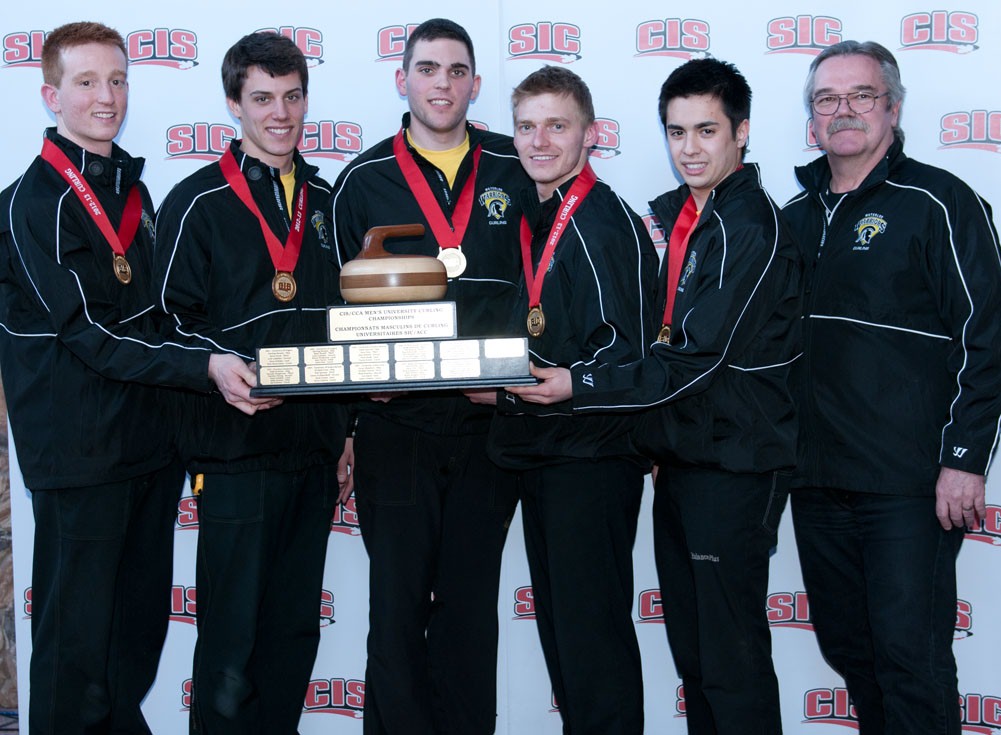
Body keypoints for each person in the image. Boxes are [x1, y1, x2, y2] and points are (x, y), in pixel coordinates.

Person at [510, 59, 802, 734]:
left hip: (733, 463)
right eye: (676, 132)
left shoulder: (746, 227)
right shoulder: (686, 219)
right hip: (687, 457)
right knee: (697, 659)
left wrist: (578, 382)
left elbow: (695, 359)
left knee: (728, 665)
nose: (690, 148)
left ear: (742, 132)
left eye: (706, 130)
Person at [0, 21, 266, 735]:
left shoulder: (133, 191)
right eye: (87, 82)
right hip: (82, 460)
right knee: (73, 650)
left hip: (150, 449)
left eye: (117, 79)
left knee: (135, 641)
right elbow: (90, 334)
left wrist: (223, 355)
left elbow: (157, 318)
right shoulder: (33, 204)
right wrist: (204, 365)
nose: (106, 96)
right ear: (52, 94)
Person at [782, 40, 1001, 734]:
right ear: (811, 119)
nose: (842, 110)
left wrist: (963, 459)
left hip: (908, 485)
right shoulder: (791, 217)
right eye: (826, 99)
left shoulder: (939, 202)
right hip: (814, 481)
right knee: (851, 651)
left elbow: (987, 334)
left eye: (860, 95)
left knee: (911, 660)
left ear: (893, 107)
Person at [327, 18, 528, 735]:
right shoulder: (362, 179)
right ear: (401, 79)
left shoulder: (514, 166)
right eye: (428, 69)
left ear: (475, 83)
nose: (441, 83)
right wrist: (345, 421)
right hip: (396, 427)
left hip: (488, 426)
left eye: (455, 70)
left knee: (470, 612)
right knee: (397, 612)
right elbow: (332, 310)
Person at [153, 31, 348, 734]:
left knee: (293, 639)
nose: (281, 114)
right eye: (263, 98)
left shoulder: (328, 202)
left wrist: (345, 429)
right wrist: (217, 365)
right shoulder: (197, 202)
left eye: (293, 96)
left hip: (312, 453)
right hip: (234, 453)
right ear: (233, 103)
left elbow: (344, 328)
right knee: (231, 648)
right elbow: (167, 322)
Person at [489, 65, 659, 735]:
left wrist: (567, 380)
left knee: (592, 646)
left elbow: (627, 355)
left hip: (590, 458)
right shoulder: (544, 212)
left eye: (555, 126)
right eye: (526, 127)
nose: (538, 141)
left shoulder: (602, 221)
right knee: (569, 640)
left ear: (588, 134)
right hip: (549, 450)